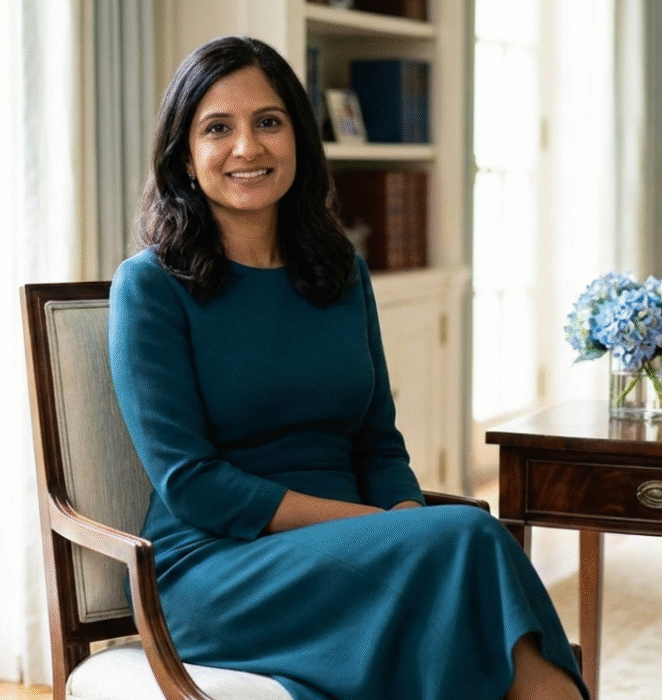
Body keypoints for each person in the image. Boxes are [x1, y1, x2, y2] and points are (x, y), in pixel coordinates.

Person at [107, 36, 587, 700]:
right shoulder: (149, 287)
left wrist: (403, 522)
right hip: (215, 569)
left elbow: (377, 440)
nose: (248, 147)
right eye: (218, 128)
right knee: (470, 540)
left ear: (299, 139)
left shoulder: (340, 271)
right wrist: (382, 529)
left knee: (459, 550)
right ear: (186, 157)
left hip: (352, 550)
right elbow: (193, 484)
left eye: (268, 122)